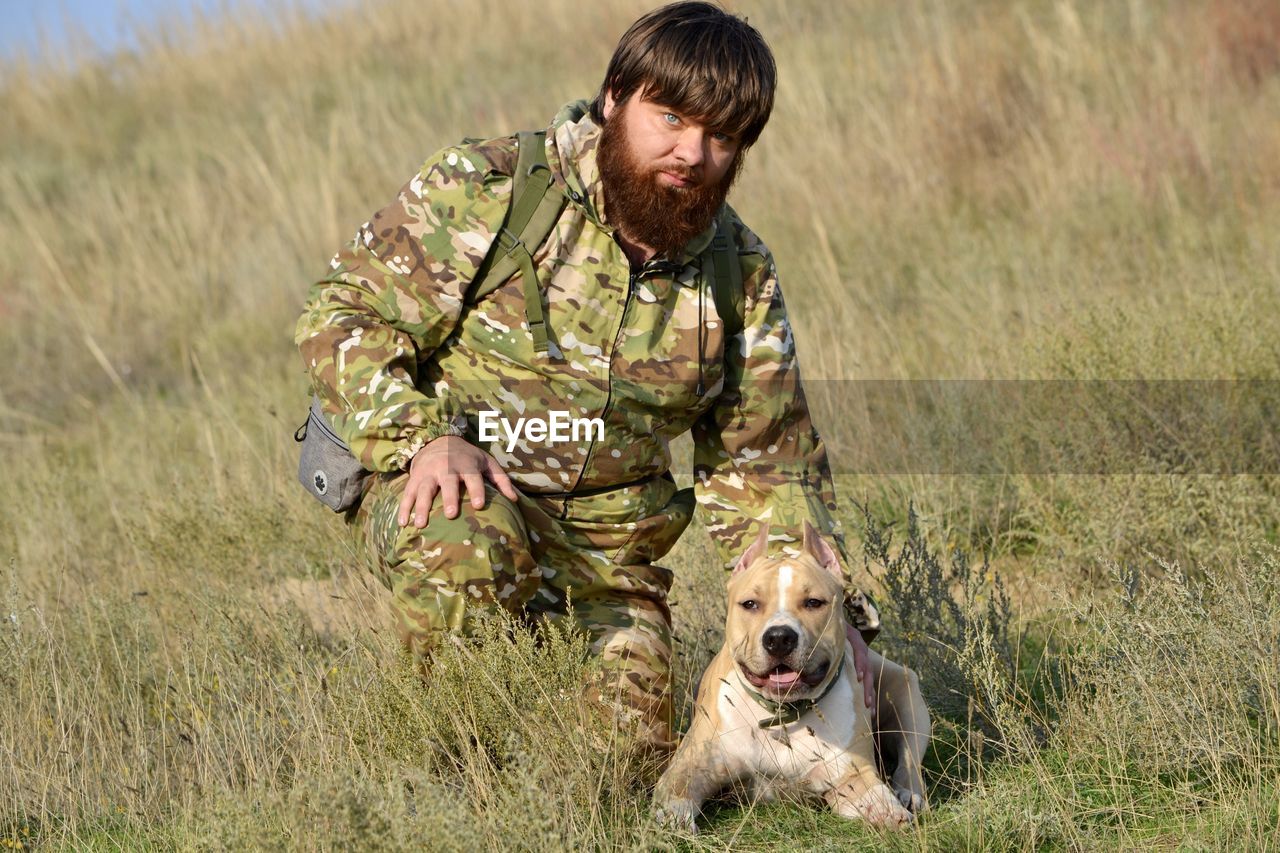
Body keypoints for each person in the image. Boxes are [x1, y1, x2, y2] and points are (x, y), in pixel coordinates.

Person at [294, 1, 878, 750]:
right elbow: (341, 314)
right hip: (453, 498)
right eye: (669, 117)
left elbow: (767, 466)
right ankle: (433, 772)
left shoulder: (740, 273)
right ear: (614, 98)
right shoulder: (492, 188)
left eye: (721, 137)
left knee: (622, 768)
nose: (692, 154)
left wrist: (825, 609)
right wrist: (423, 439)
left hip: (607, 564)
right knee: (464, 547)